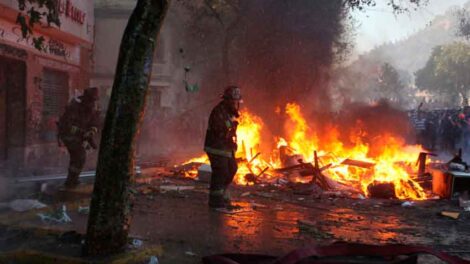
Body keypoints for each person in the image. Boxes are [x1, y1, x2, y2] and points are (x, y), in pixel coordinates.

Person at [204, 86, 242, 208]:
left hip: (225, 148)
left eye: (237, 102)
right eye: (234, 101)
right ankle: (215, 201)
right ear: (227, 100)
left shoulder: (229, 113)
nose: (236, 104)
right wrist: (230, 130)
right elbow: (220, 130)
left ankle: (222, 193)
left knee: (232, 168)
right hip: (215, 147)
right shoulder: (219, 112)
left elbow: (229, 130)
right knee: (221, 172)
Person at [57, 87, 100, 189]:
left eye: (93, 100)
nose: (92, 103)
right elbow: (67, 126)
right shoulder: (74, 107)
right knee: (80, 156)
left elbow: (94, 123)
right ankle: (71, 181)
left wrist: (92, 131)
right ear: (85, 99)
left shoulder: (91, 109)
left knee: (77, 158)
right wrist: (82, 132)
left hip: (79, 137)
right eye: (91, 100)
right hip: (68, 136)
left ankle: (71, 181)